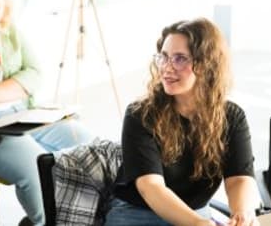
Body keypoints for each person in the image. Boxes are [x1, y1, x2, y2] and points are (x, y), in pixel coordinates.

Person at [0, 0, 94, 225]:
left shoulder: (10, 32)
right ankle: (46, 222)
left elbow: (34, 75)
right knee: (37, 163)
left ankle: (84, 216)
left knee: (84, 142)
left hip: (19, 116)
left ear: (4, 10)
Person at [105, 18, 260, 226]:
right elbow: (151, 187)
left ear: (205, 64)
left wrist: (242, 212)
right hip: (139, 214)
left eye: (179, 59)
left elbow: (239, 178)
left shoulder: (232, 116)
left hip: (197, 214)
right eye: (164, 57)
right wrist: (197, 223)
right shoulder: (140, 114)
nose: (167, 68)